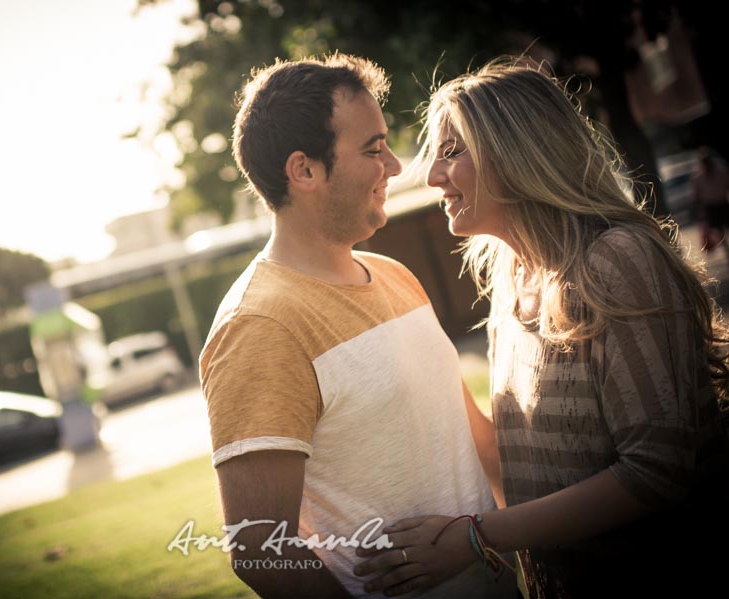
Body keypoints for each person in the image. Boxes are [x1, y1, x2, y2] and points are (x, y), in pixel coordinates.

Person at [354, 57, 729, 598]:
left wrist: (475, 538)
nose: (434, 175)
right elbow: (526, 468)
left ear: (518, 152)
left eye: (452, 151)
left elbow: (657, 472)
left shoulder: (617, 261)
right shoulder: (509, 282)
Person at [200, 53, 515, 598]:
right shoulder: (259, 325)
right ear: (304, 171)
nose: (394, 166)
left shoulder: (395, 276)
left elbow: (476, 443)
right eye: (373, 149)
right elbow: (260, 550)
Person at [691, 145, 729, 255]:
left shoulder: (720, 171)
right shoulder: (698, 175)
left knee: (722, 228)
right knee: (718, 231)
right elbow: (696, 195)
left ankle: (726, 249)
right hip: (711, 206)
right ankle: (726, 250)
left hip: (722, 202)